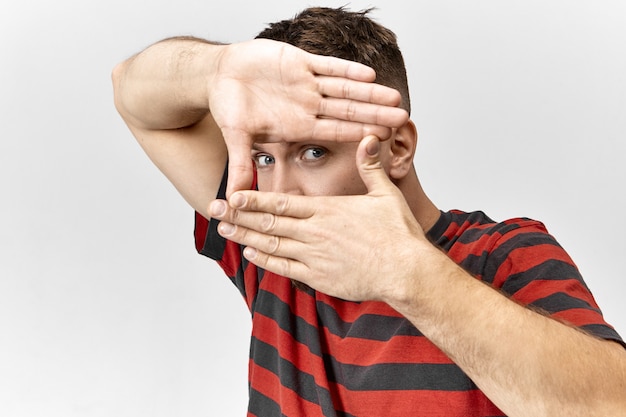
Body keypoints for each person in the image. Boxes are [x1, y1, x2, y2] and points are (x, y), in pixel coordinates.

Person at [112, 6, 626, 417]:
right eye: (265, 156)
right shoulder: (269, 247)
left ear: (396, 148)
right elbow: (132, 93)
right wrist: (216, 69)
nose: (282, 190)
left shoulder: (503, 254)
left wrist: (409, 275)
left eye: (314, 152)